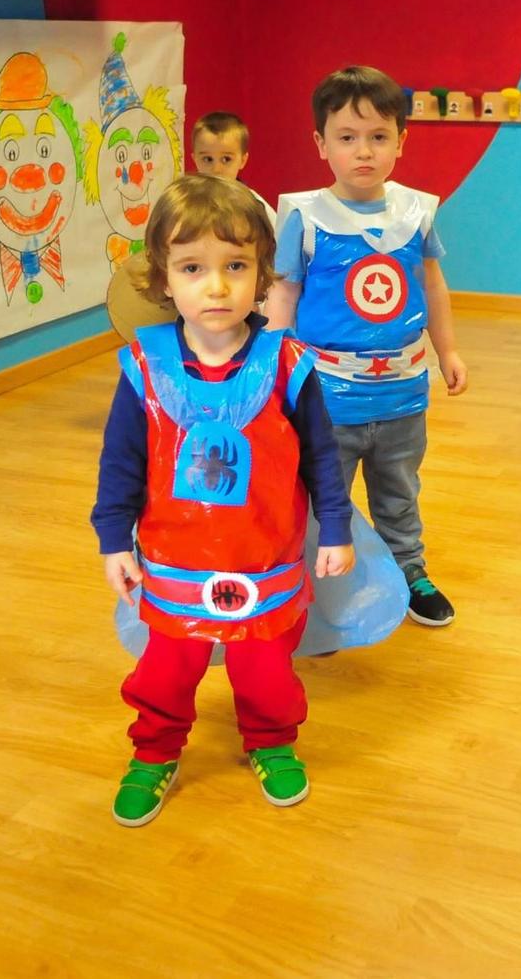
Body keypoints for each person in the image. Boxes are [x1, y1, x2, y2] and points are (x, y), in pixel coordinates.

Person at [92, 175, 356, 826]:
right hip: (174, 565)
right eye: (193, 267)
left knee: (266, 670)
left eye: (235, 266)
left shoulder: (288, 363)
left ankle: (271, 740)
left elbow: (323, 456)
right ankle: (154, 750)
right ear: (163, 278)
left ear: (263, 274)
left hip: (264, 561)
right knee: (165, 672)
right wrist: (111, 539)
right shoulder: (143, 366)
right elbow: (120, 462)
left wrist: (339, 529)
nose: (215, 286)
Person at [266, 66, 466, 628]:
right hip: (325, 396)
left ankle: (410, 570)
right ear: (321, 144)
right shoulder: (304, 216)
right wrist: (273, 366)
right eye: (347, 138)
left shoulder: (416, 211)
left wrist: (447, 351)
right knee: (318, 495)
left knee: (399, 490)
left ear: (401, 142)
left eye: (378, 137)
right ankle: (308, 582)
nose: (363, 152)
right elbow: (284, 291)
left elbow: (432, 286)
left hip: (403, 393)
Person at [189, 110, 273, 219]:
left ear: (243, 161)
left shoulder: (253, 206)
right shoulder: (186, 203)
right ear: (195, 159)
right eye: (208, 159)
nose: (216, 169)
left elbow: (278, 234)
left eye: (226, 159)